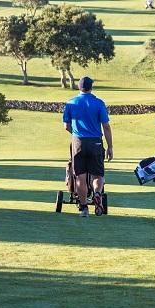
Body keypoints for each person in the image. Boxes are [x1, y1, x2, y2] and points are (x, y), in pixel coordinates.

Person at [63, 76, 113, 217]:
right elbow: (106, 126)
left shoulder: (71, 103)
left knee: (80, 177)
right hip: (95, 142)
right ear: (91, 87)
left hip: (78, 142)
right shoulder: (98, 103)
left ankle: (84, 208)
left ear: (79, 87)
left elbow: (66, 126)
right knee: (98, 175)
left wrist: (77, 134)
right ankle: (97, 194)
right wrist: (110, 146)